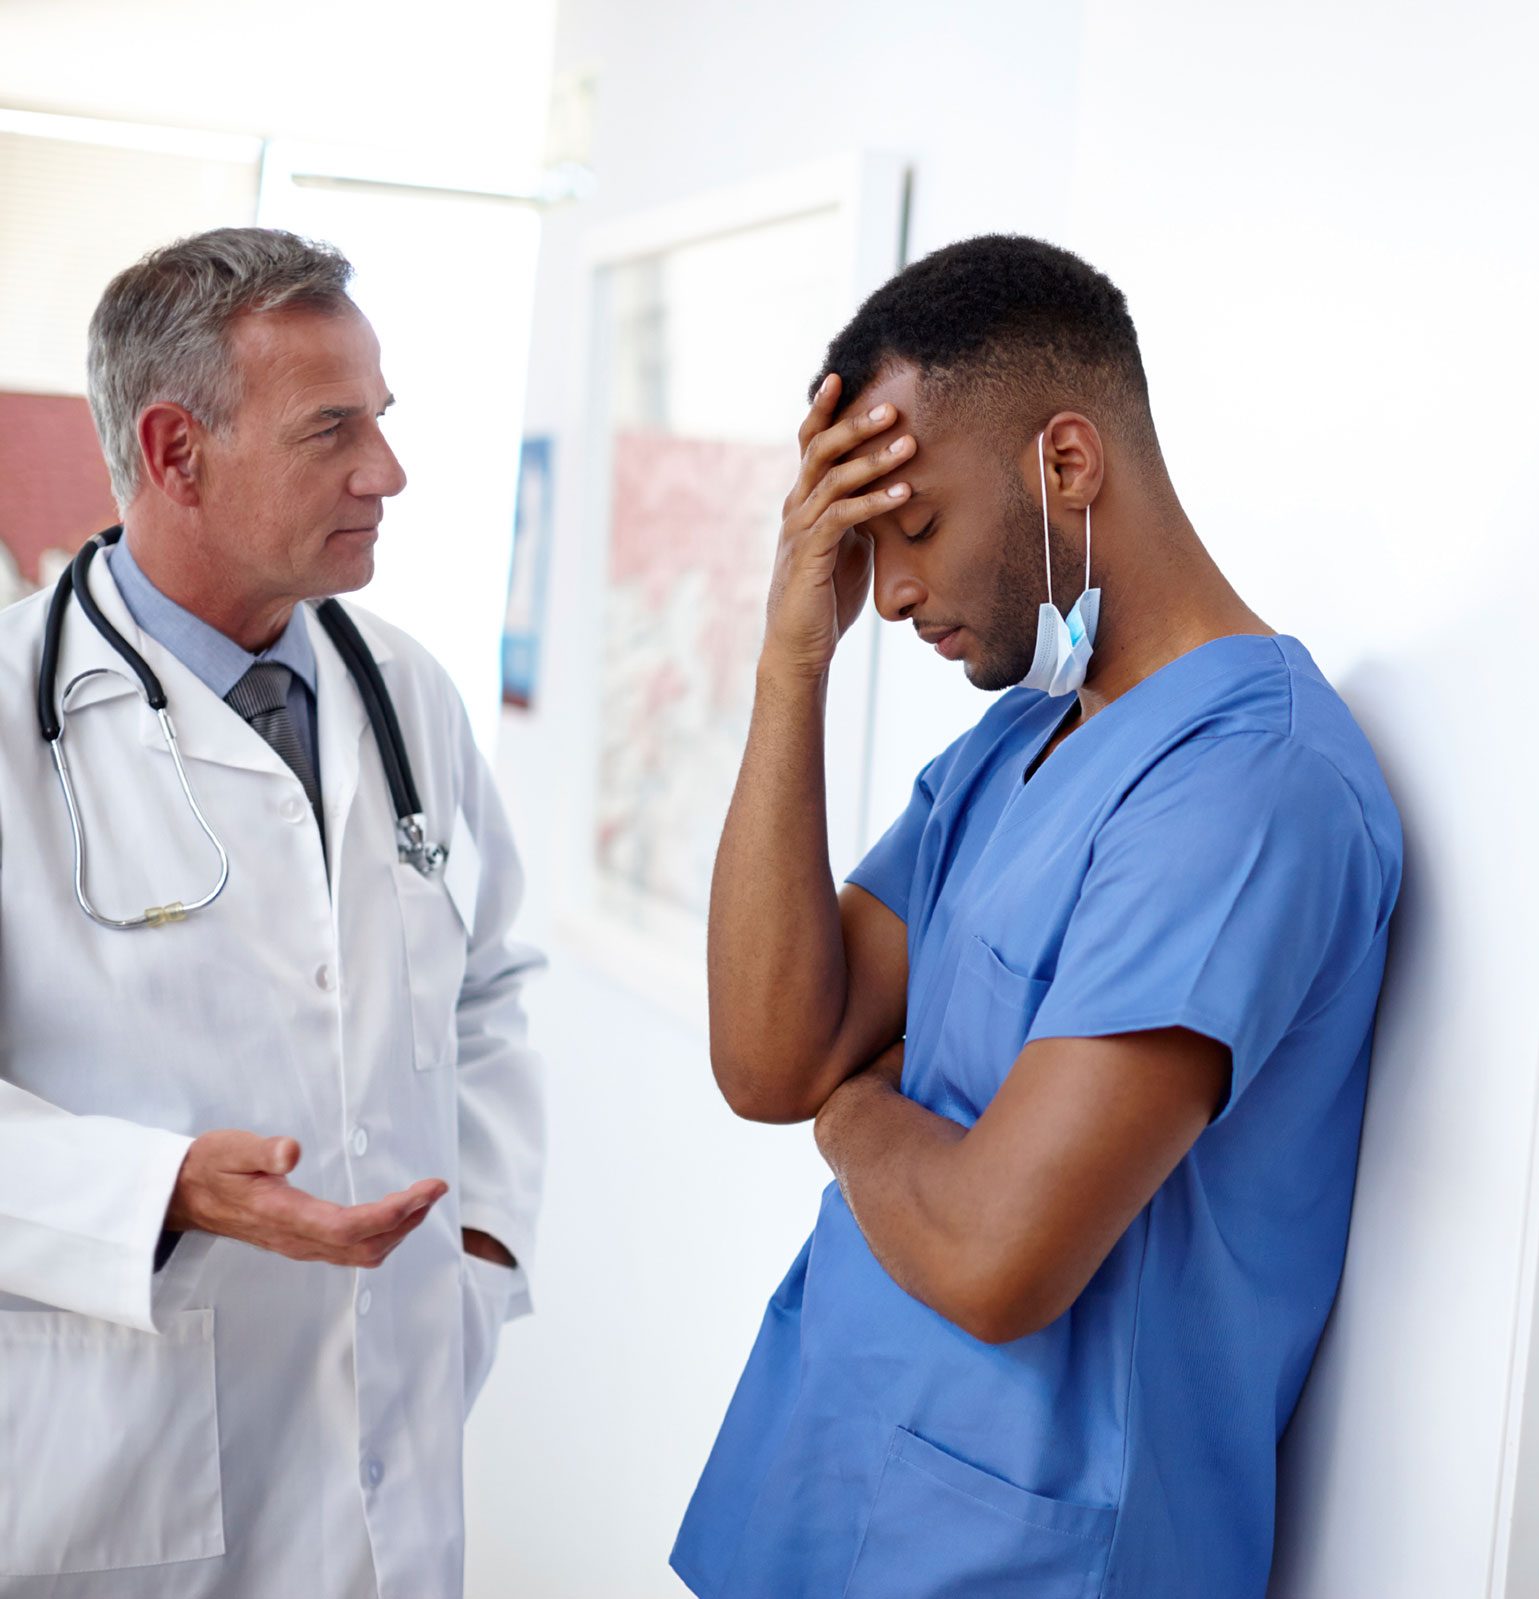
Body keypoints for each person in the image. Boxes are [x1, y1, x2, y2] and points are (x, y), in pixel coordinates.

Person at [672, 235, 1402, 1599]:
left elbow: (994, 1255)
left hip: (1028, 1558)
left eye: (917, 529)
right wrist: (790, 661)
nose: (888, 595)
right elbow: (771, 1062)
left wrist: (858, 1114)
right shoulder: (1014, 750)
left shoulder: (1251, 789)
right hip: (822, 1497)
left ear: (1066, 464)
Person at [0, 228, 545, 1599]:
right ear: (177, 451)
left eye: (384, 419)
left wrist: (481, 1248)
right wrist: (157, 1190)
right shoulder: (14, 717)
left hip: (390, 1443)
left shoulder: (404, 690)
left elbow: (493, 990)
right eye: (333, 430)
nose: (389, 471)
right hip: (111, 1463)